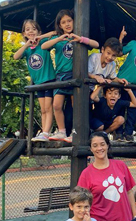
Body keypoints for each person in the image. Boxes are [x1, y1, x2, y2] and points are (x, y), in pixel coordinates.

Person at [41, 9, 99, 142]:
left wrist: (81, 39)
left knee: (76, 105)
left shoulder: (78, 36)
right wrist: (59, 38)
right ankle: (61, 131)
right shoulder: (58, 39)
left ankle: (76, 132)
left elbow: (96, 44)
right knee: (56, 105)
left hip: (75, 74)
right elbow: (44, 46)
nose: (67, 24)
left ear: (74, 21)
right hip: (60, 76)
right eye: (63, 22)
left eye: (69, 21)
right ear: (59, 25)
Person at [13, 20, 56, 142]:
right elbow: (15, 56)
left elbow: (54, 32)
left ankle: (46, 132)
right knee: (42, 109)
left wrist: (40, 37)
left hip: (48, 79)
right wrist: (27, 44)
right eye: (27, 29)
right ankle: (44, 132)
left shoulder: (43, 43)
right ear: (24, 33)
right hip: (38, 83)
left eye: (33, 29)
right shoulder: (27, 49)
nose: (31, 31)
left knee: (48, 108)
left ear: (38, 31)